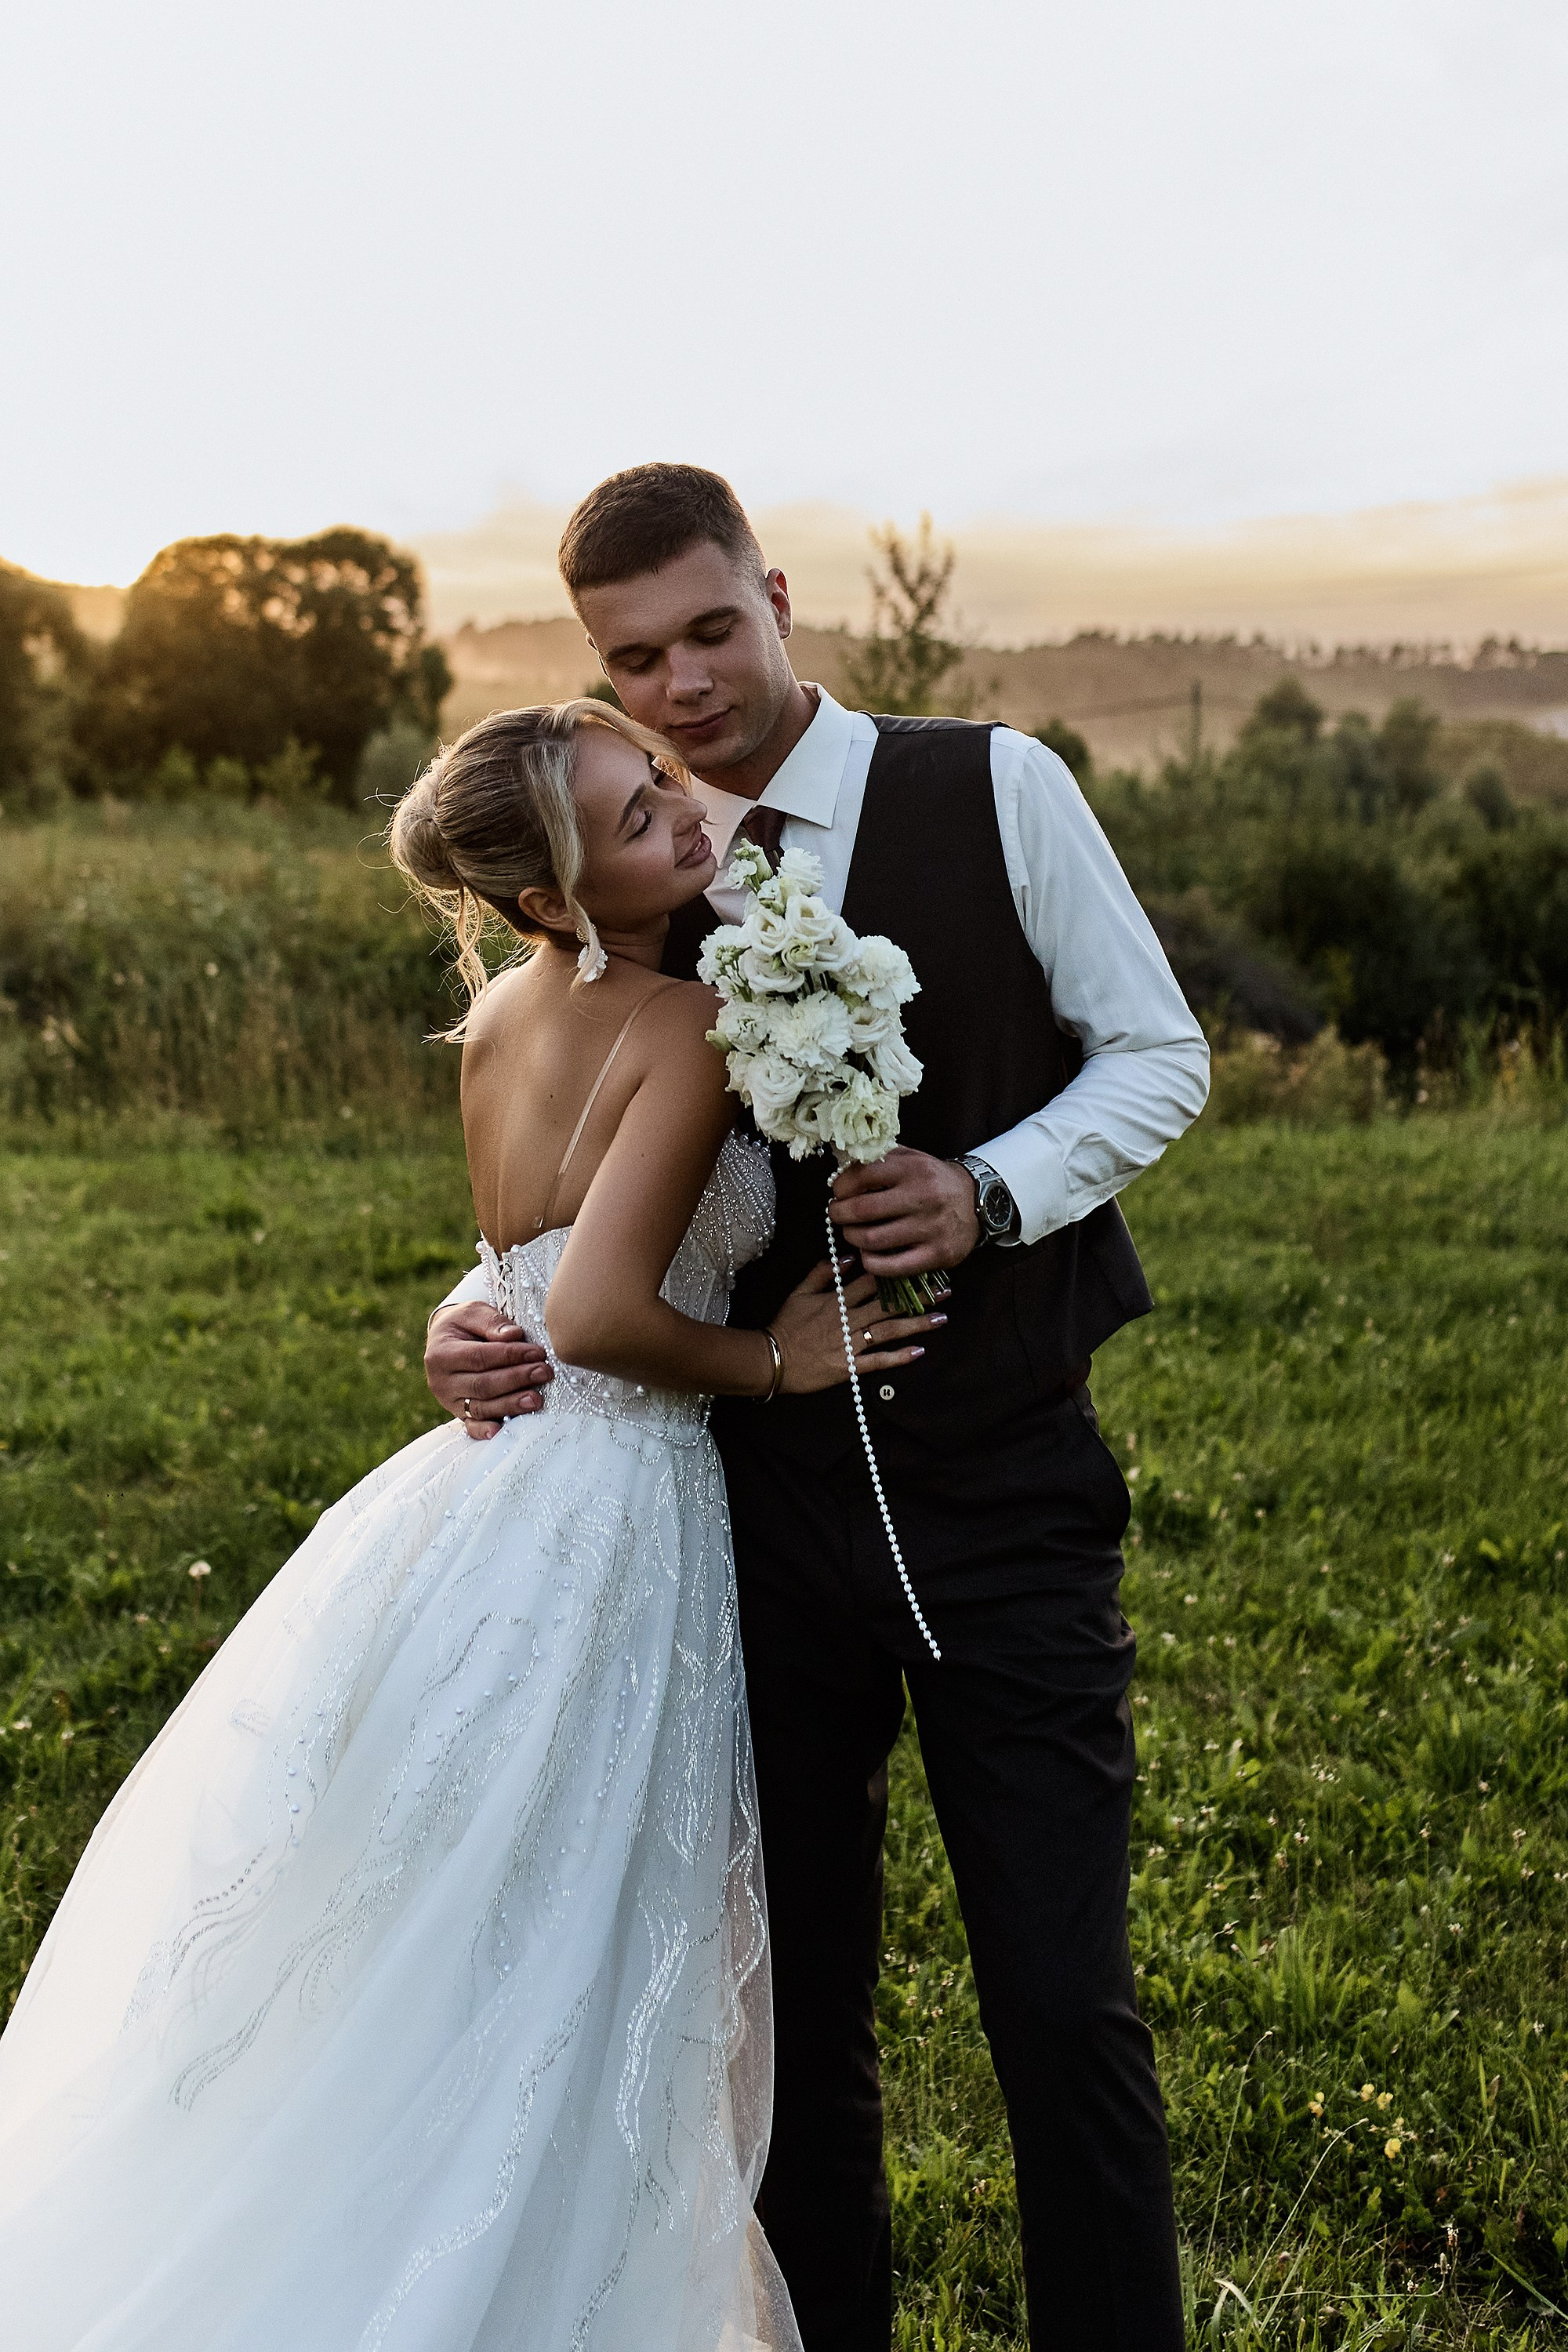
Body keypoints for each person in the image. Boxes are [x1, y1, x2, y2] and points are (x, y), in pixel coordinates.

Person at [0, 696, 943, 2350]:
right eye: (633, 817)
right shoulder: (679, 1025)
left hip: (487, 1486)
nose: (679, 810)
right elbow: (590, 1312)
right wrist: (773, 1362)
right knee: (580, 1914)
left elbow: (515, 1263)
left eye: (659, 780)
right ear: (547, 899)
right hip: (615, 1502)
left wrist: (464, 1316)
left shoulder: (501, 1013)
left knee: (463, 1900)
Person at [426, 465, 1211, 2352]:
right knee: (789, 2029)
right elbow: (567, 1167)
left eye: (711, 631)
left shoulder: (993, 785)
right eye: (635, 661)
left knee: (1062, 2004)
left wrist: (989, 1189)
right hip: (744, 1526)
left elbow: (1159, 1053)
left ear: (774, 599)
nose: (683, 687)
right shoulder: (630, 864)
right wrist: (469, 1309)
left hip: (1005, 1493)